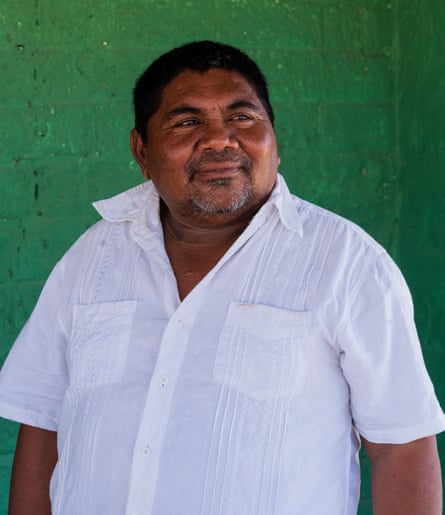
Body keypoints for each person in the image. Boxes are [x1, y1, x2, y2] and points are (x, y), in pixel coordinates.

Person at [0, 40, 444, 515]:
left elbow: (400, 445)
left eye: (243, 118)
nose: (220, 139)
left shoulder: (348, 264)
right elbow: (43, 421)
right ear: (141, 150)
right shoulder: (91, 257)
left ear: (275, 138)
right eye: (188, 122)